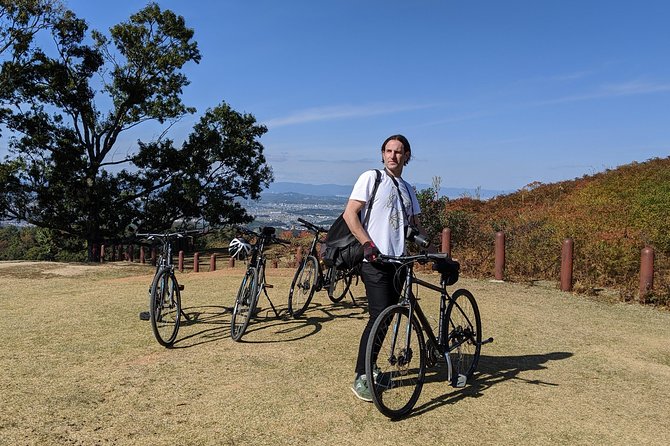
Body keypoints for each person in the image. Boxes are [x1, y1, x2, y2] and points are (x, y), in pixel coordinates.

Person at [343, 134, 432, 402]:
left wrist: (431, 249)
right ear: (382, 154)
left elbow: (414, 226)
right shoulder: (371, 178)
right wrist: (368, 244)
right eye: (388, 150)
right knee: (378, 315)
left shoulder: (408, 189)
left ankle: (371, 368)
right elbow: (350, 213)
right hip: (375, 262)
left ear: (407, 156)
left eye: (399, 151)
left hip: (399, 263)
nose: (393, 155)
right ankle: (362, 376)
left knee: (389, 315)